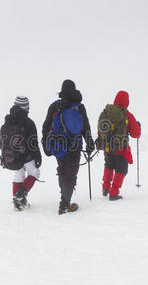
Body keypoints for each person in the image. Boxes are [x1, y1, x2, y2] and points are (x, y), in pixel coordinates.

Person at [42, 80, 94, 214]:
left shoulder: (55, 106)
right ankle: (65, 204)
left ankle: (64, 199)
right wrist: (89, 143)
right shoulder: (79, 107)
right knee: (71, 173)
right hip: (75, 145)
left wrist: (45, 142)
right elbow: (85, 127)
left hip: (58, 144)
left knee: (62, 170)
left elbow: (46, 126)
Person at [0, 96, 42, 211]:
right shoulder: (29, 123)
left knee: (19, 174)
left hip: (13, 157)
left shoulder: (7, 121)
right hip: (27, 156)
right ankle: (21, 195)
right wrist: (37, 156)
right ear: (26, 107)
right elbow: (33, 142)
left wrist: (9, 153)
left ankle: (17, 203)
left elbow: (0, 142)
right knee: (35, 173)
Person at [97, 91, 141, 200]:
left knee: (108, 166)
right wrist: (138, 126)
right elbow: (136, 134)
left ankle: (105, 188)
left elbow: (100, 130)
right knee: (121, 169)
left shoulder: (106, 112)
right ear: (127, 102)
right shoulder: (127, 115)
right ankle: (114, 193)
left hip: (107, 147)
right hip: (121, 149)